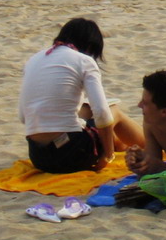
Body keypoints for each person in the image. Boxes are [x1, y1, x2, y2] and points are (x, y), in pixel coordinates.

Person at [18, 18, 144, 173]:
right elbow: (102, 113)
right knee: (114, 110)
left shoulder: (34, 59)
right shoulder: (83, 61)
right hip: (72, 155)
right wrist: (107, 155)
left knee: (85, 108)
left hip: (39, 156)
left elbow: (23, 116)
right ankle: (150, 145)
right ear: (90, 46)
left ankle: (123, 146)